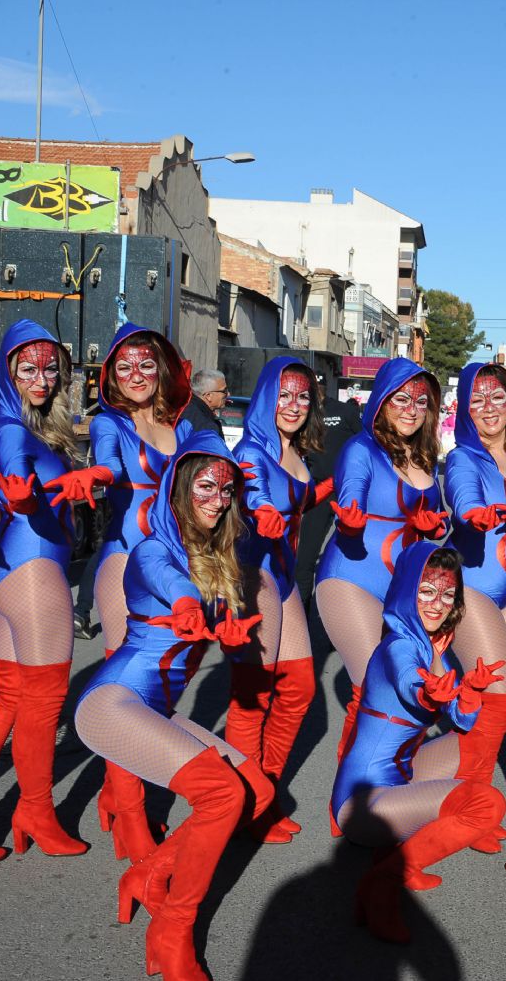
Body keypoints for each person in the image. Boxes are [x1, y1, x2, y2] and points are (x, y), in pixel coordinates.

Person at [74, 432, 272, 981]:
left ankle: (149, 873)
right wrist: (189, 606)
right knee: (222, 793)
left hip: (152, 710)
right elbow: (172, 585)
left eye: (226, 489)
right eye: (205, 486)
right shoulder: (154, 551)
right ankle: (172, 931)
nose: (217, 498)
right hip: (112, 703)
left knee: (257, 791)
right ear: (180, 491)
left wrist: (222, 632)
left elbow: (200, 601)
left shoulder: (211, 554)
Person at [53, 324, 194, 864]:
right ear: (111, 376)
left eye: (146, 365)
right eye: (124, 367)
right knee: (126, 694)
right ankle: (131, 818)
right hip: (125, 564)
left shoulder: (179, 426)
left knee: (160, 689)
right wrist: (96, 474)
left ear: (160, 370)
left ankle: (119, 790)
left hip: (175, 570)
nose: (136, 375)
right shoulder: (110, 422)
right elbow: (110, 462)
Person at [0, 321, 89, 864]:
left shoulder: (31, 424)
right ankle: (34, 809)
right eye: (28, 368)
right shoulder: (13, 429)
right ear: (8, 372)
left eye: (49, 367)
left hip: (11, 570)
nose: (42, 378)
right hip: (31, 574)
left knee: (11, 699)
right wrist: (58, 488)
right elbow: (18, 492)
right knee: (43, 702)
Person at [332, 542, 506, 944]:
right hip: (365, 803)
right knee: (487, 804)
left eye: (447, 594)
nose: (438, 603)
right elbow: (413, 686)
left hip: (401, 775)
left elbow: (463, 719)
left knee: (474, 742)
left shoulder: (430, 646)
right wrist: (434, 691)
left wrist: (471, 690)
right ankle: (383, 881)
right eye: (426, 591)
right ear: (408, 590)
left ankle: (399, 859)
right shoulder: (400, 645)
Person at [314, 356, 447, 829]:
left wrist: (437, 524)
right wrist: (348, 515)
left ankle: (385, 790)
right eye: (400, 398)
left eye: (419, 400)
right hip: (350, 579)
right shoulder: (361, 448)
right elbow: (351, 494)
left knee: (413, 687)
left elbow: (436, 521)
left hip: (400, 593)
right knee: (375, 685)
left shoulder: (427, 456)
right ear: (382, 402)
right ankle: (347, 804)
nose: (410, 408)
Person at [228, 356, 332, 841]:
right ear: (268, 397)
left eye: (303, 397)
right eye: (285, 395)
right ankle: (244, 804)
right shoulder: (252, 448)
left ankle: (262, 792)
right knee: (253, 697)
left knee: (299, 689)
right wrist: (263, 510)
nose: (294, 405)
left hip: (283, 576)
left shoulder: (295, 451)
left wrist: (330, 491)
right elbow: (254, 491)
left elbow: (296, 497)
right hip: (254, 576)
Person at [433, 361, 506, 791]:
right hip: (474, 589)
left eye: (497, 398)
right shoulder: (463, 456)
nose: (488, 408)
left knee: (496, 696)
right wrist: (471, 512)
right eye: (477, 400)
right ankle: (460, 789)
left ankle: (471, 790)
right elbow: (461, 490)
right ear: (465, 411)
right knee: (496, 690)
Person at [292, 372, 362, 606]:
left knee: (350, 554)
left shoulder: (345, 411)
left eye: (319, 386)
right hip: (319, 491)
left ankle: (347, 608)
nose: (316, 391)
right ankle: (302, 609)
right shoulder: (300, 414)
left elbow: (364, 443)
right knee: (305, 558)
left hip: (347, 490)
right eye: (311, 387)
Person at [180, 369, 227, 437]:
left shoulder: (184, 407)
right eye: (224, 391)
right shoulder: (205, 426)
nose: (228, 394)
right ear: (208, 396)